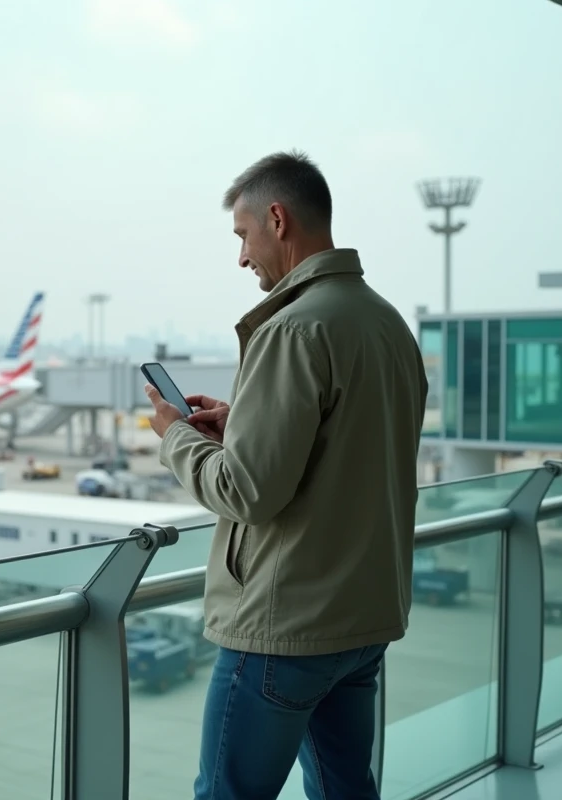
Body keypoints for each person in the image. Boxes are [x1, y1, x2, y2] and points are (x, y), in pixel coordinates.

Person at [143, 149, 428, 800]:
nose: (242, 258)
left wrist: (176, 437)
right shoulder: (386, 323)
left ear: (276, 219)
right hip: (362, 619)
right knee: (344, 790)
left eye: (242, 236)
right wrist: (240, 419)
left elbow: (245, 491)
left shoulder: (292, 327)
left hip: (285, 626)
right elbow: (345, 448)